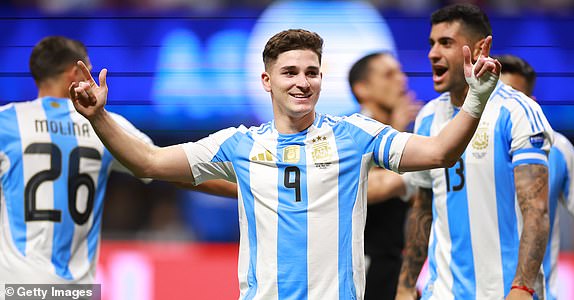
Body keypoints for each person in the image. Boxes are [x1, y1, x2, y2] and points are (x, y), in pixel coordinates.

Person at [69, 28, 500, 299]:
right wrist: (99, 117)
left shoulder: (355, 134)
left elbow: (440, 152)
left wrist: (477, 98)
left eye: (311, 72)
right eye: (290, 72)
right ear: (266, 80)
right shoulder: (237, 144)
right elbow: (147, 161)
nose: (302, 82)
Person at [395, 4, 554, 300]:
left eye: (446, 43)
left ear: (480, 48)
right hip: (442, 292)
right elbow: (423, 207)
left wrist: (521, 288)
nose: (432, 53)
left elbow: (536, 210)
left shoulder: (517, 110)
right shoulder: (428, 118)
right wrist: (406, 284)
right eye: (431, 43)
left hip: (505, 292)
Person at [495, 54, 574, 300]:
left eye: (514, 99)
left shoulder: (559, 150)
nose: (504, 108)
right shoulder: (461, 148)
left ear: (532, 103)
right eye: (497, 98)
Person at [348, 51, 421, 299]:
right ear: (362, 89)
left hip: (394, 268)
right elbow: (354, 188)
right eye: (389, 75)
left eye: (401, 73)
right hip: (361, 270)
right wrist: (396, 132)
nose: (401, 80)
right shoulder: (346, 134)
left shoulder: (412, 139)